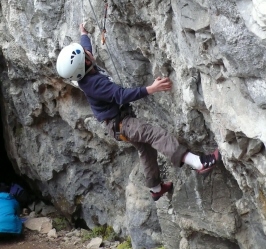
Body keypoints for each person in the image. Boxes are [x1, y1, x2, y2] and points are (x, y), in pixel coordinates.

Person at [56, 24, 221, 201]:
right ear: (86, 63)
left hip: (116, 124)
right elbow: (121, 96)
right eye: (85, 54)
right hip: (122, 124)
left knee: (146, 150)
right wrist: (151, 89)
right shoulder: (95, 84)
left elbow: (85, 51)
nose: (87, 51)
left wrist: (83, 34)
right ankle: (198, 162)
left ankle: (156, 189)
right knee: (154, 134)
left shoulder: (83, 72)